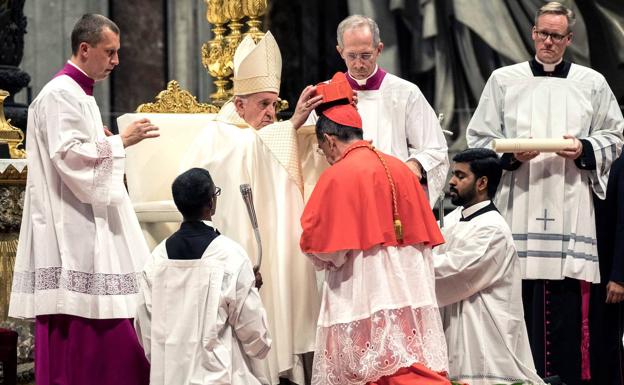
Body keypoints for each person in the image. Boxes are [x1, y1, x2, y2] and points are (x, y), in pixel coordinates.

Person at [466, 2, 624, 384]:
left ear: (569, 39)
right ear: (533, 33)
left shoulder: (592, 82)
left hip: (570, 202)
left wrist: (584, 149)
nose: (547, 42)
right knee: (518, 298)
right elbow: (479, 139)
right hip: (520, 200)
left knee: (566, 306)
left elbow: (614, 136)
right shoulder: (504, 80)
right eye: (542, 33)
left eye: (556, 36)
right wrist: (511, 155)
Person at [8, 14, 159, 385]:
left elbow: (75, 147)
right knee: (88, 320)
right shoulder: (61, 94)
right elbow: (70, 157)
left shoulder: (79, 93)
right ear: (85, 48)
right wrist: (121, 141)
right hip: (72, 226)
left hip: (83, 220)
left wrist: (102, 138)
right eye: (110, 52)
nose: (116, 60)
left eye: (118, 52)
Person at [181, 32, 324, 385]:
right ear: (239, 103)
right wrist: (289, 127)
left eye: (275, 105)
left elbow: (270, 151)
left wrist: (302, 130)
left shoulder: (263, 133)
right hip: (234, 245)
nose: (271, 113)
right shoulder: (217, 134)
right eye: (263, 104)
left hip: (271, 243)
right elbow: (245, 152)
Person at [300, 77, 450, 385]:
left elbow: (325, 248)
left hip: (365, 289)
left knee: (373, 372)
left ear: (330, 140)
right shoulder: (401, 168)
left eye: (321, 149)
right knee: (410, 364)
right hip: (410, 290)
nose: (325, 156)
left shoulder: (338, 175)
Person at [134, 168, 271, 385]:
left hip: (170, 377)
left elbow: (146, 332)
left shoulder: (156, 259)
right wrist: (250, 290)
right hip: (220, 376)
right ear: (211, 203)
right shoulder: (230, 255)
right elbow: (254, 334)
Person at [433, 148, 544, 385]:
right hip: (455, 331)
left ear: (482, 182)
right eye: (453, 174)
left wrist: (409, 264)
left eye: (461, 176)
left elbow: (455, 271)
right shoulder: (453, 219)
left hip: (484, 339)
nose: (452, 181)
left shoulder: (492, 229)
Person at [334, 14, 449, 206]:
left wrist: (416, 164)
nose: (358, 64)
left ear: (379, 50)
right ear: (340, 52)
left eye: (365, 55)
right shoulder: (327, 94)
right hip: (344, 197)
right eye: (351, 56)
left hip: (392, 196)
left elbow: (435, 148)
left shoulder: (406, 93)